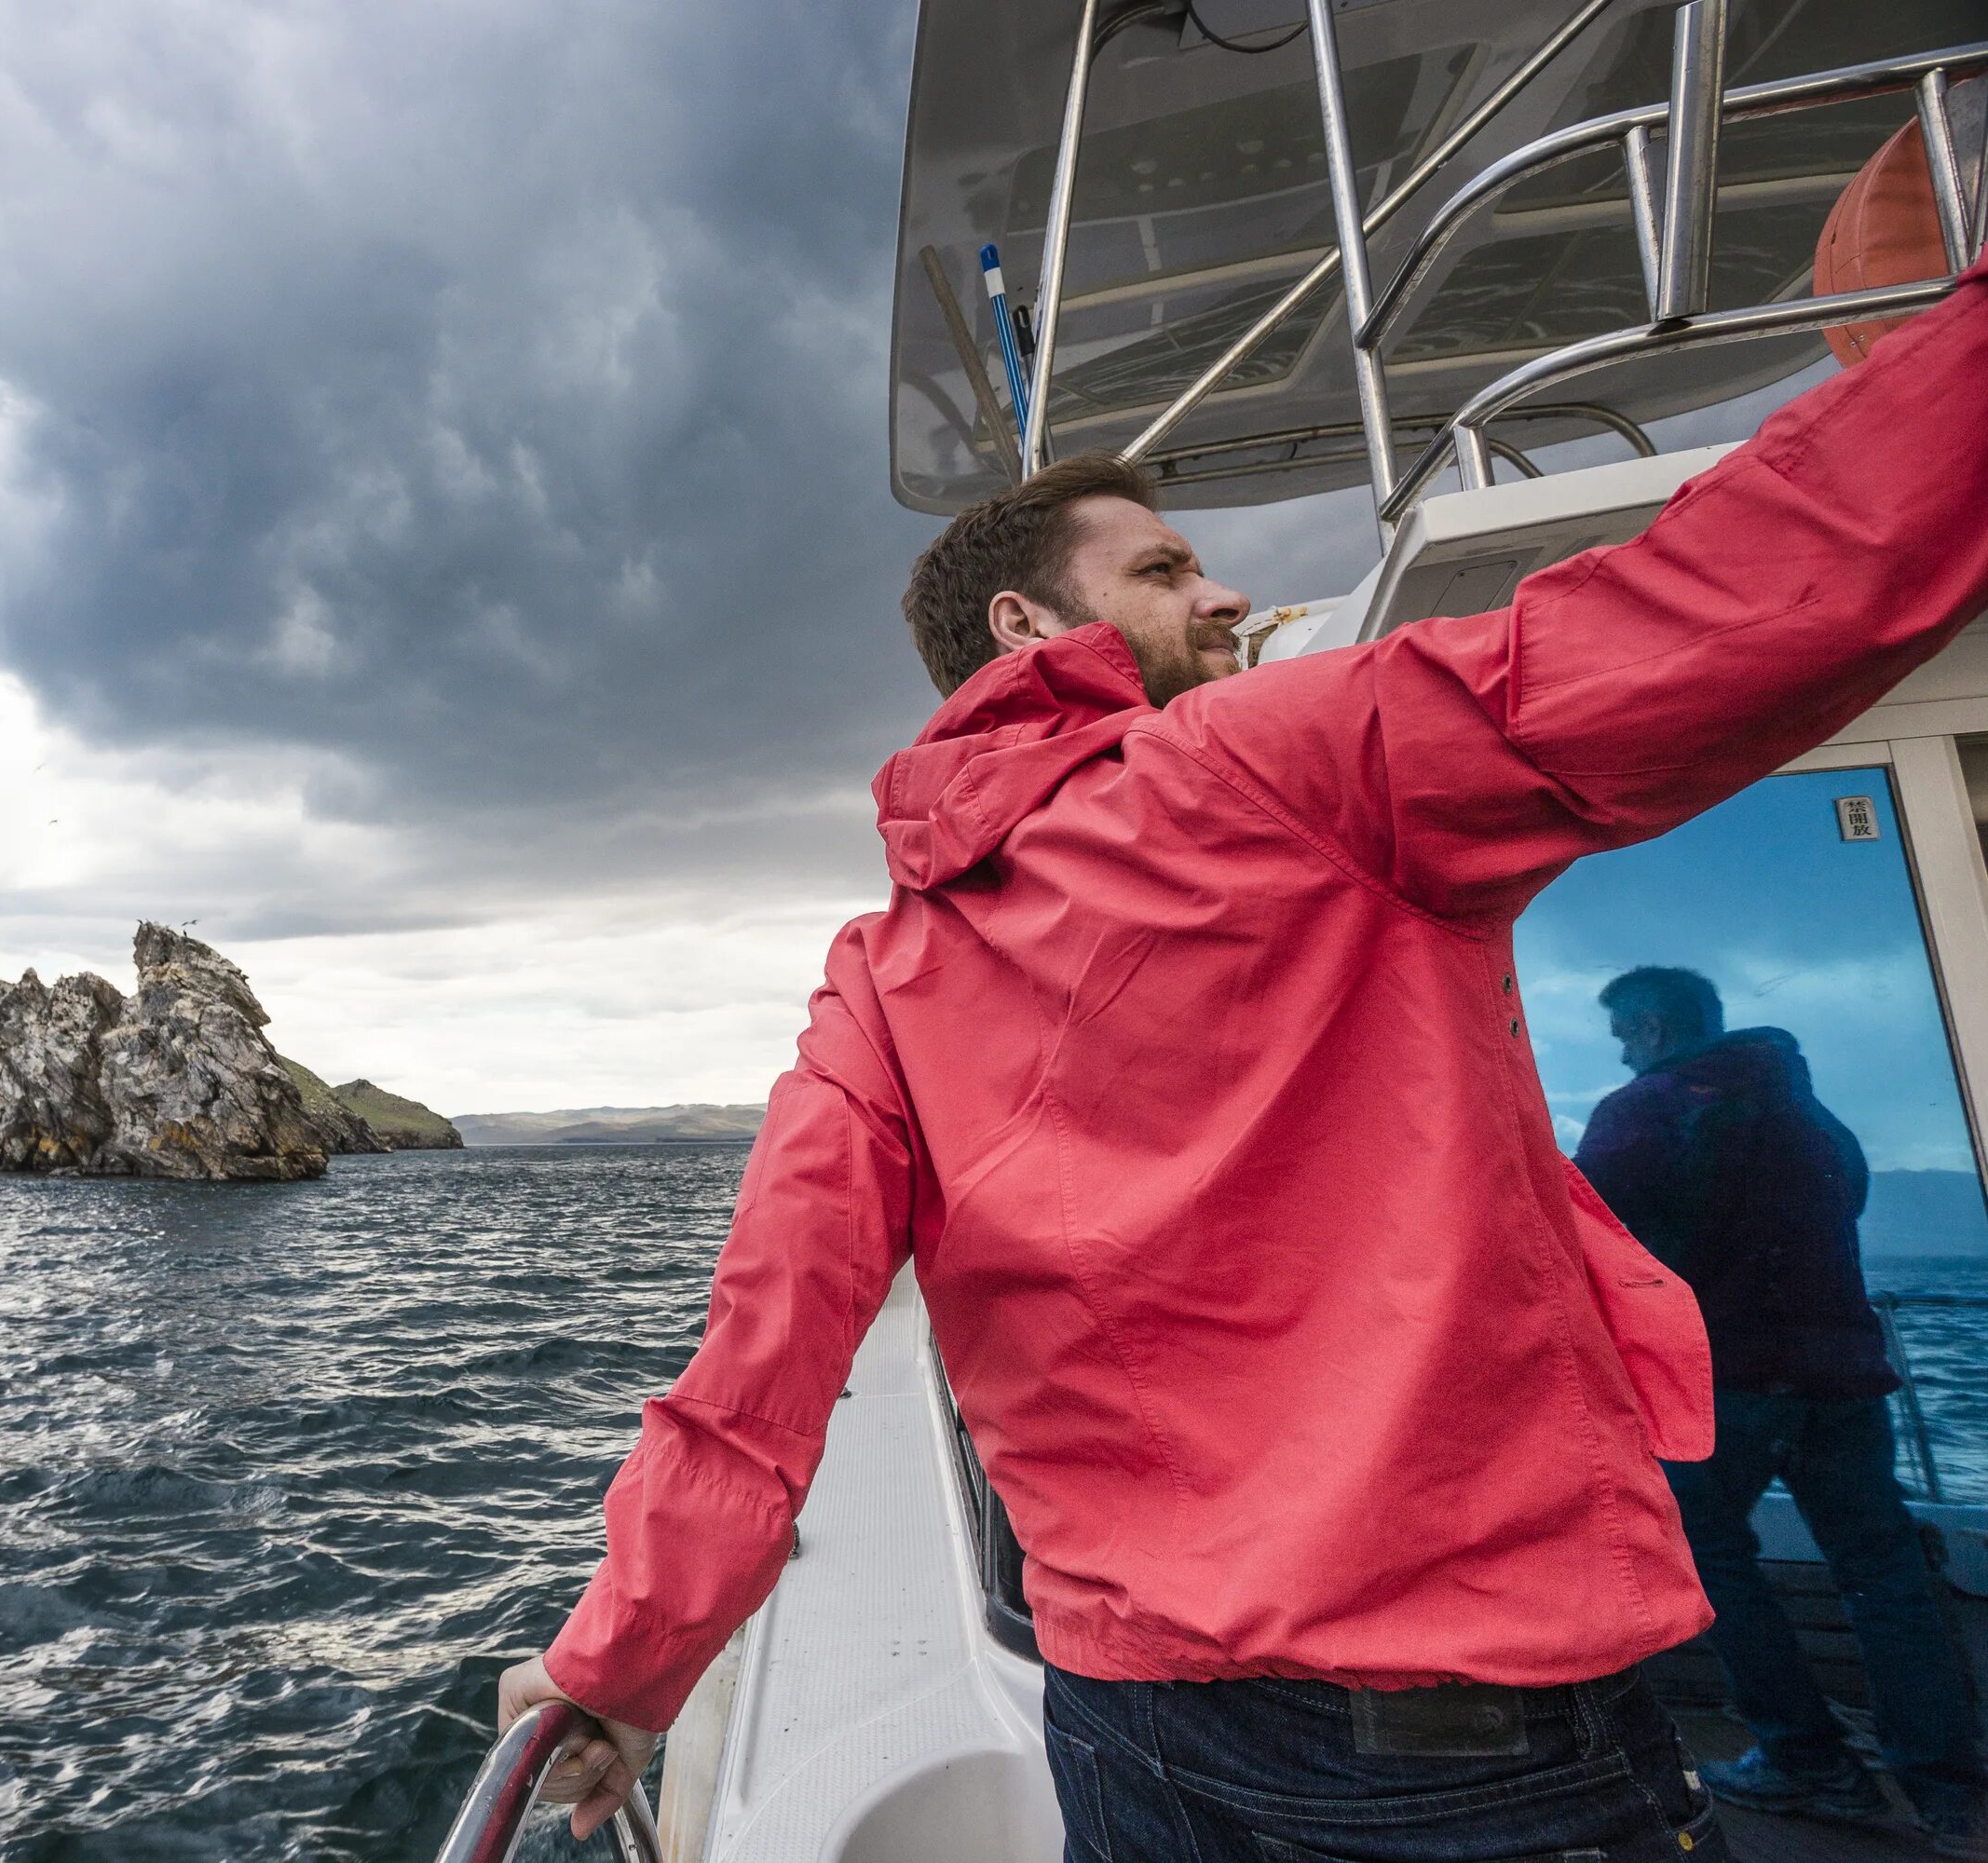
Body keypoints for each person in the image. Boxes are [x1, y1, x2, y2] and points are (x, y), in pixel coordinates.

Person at [497, 243, 1988, 1862]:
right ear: (1026, 622)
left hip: (1131, 1733)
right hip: (1460, 1755)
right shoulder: (1288, 756)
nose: (1220, 595)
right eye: (1163, 568)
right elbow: (1752, 598)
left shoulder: (879, 974)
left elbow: (763, 1355)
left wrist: (627, 1669)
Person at [1577, 966, 1985, 1835]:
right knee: (1887, 1577)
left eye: (1622, 1035)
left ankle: (1808, 1760)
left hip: (1727, 1385)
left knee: (1713, 1558)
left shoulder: (1643, 1111)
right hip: (1844, 1378)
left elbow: (1581, 1234)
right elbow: (1852, 1197)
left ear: (1650, 1028)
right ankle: (1952, 1796)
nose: (1619, 1052)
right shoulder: (1807, 1113)